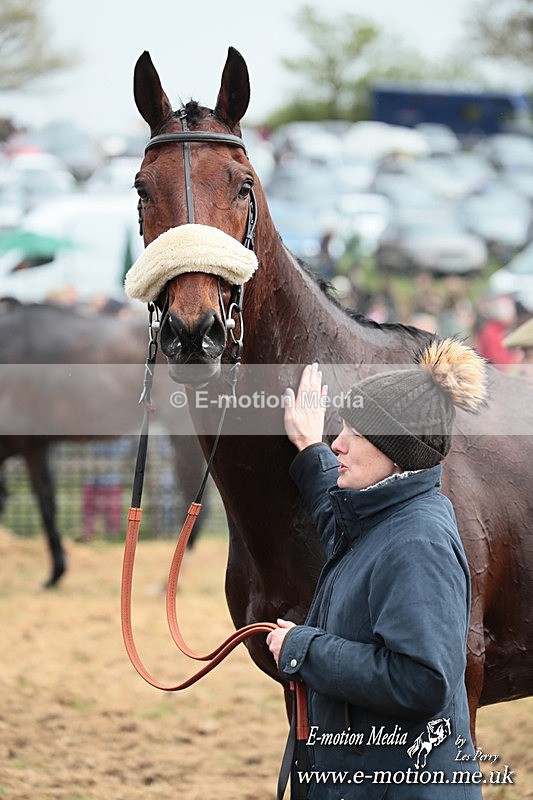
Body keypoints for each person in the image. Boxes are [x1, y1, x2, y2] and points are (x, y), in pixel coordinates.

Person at [266, 338, 488, 799]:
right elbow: (342, 524)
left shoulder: (416, 544)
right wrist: (309, 448)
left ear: (396, 453)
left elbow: (422, 681)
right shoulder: (387, 517)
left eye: (355, 435)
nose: (338, 444)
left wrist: (303, 649)